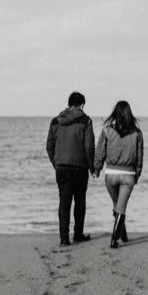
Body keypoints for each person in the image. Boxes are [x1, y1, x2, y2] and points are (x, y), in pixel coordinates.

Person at [46, 91, 95, 246]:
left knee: (64, 202)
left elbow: (49, 146)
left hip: (62, 167)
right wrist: (92, 166)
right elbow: (89, 146)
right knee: (80, 201)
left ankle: (64, 238)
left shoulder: (56, 121)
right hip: (80, 167)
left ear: (68, 103)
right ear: (82, 104)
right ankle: (78, 234)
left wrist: (56, 163)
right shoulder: (85, 121)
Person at [93, 100, 143, 249]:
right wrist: (137, 174)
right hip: (128, 175)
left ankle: (122, 233)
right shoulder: (137, 133)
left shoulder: (107, 130)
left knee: (117, 205)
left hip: (111, 174)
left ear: (115, 113)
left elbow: (100, 150)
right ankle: (115, 240)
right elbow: (140, 156)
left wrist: (97, 168)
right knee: (121, 207)